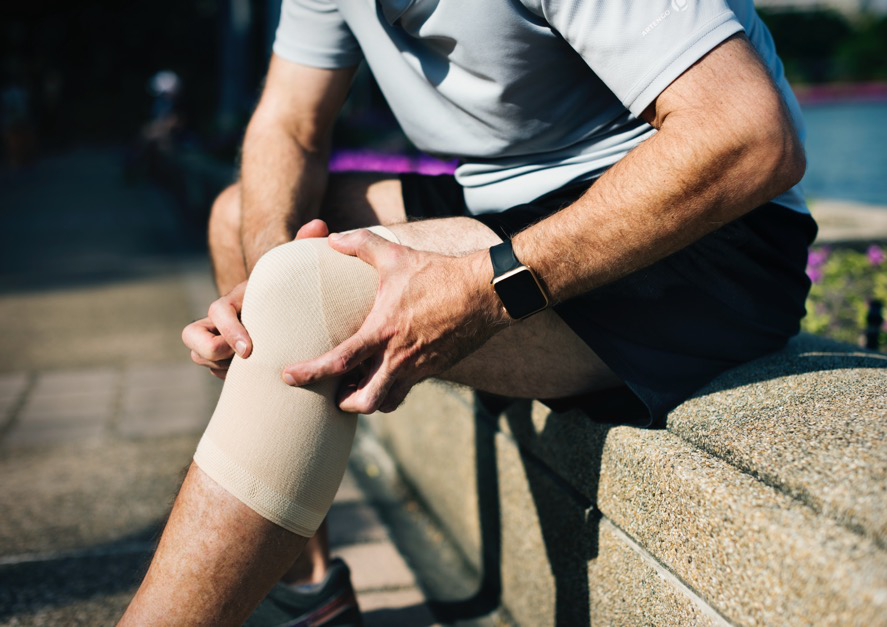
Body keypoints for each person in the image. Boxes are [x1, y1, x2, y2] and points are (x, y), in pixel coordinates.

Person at [120, 0, 815, 624]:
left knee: (311, 293)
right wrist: (266, 278)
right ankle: (306, 594)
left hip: (701, 236)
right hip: (509, 206)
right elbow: (289, 124)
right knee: (242, 219)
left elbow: (749, 133)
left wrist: (488, 288)